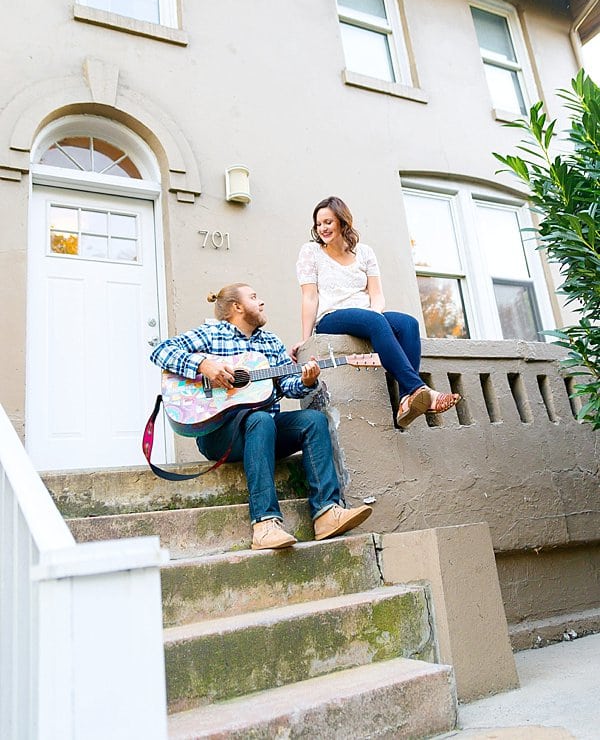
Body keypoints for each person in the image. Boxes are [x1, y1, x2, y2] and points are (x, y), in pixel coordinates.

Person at [150, 282, 372, 550]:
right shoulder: (212, 333)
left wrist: (307, 380)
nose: (262, 302)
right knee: (260, 418)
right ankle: (265, 524)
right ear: (237, 307)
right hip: (219, 435)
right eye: (254, 297)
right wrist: (204, 365)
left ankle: (326, 513)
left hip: (263, 432)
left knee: (313, 421)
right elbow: (160, 351)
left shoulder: (270, 342)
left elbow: (288, 385)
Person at [293, 196, 460, 429]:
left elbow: (377, 295)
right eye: (319, 224)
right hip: (331, 317)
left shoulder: (364, 253)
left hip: (366, 314)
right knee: (375, 320)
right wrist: (306, 338)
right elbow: (309, 297)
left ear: (342, 222)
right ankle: (420, 390)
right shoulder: (311, 252)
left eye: (328, 222)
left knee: (408, 324)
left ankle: (405, 400)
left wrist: (375, 314)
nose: (322, 228)